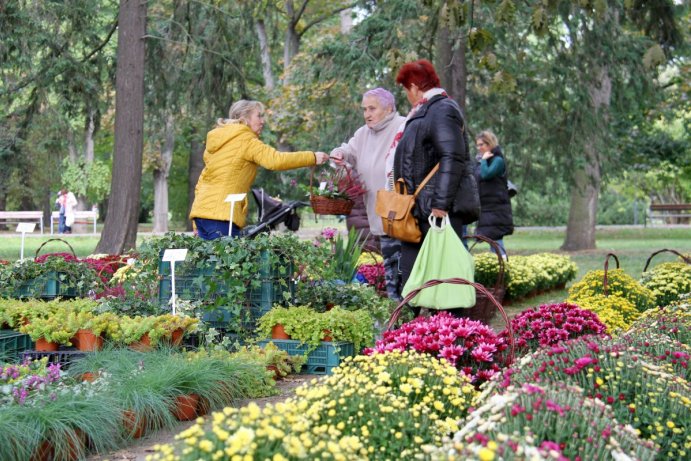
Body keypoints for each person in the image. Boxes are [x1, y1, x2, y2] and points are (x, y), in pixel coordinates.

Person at [391, 59, 473, 314]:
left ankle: (453, 345)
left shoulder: (442, 110)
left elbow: (452, 157)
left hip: (436, 211)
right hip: (420, 211)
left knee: (447, 283)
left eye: (406, 89)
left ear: (414, 87)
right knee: (414, 281)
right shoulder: (427, 111)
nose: (406, 96)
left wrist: (440, 204)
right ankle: (418, 341)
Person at [189, 99, 329, 240]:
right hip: (222, 215)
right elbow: (276, 160)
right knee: (228, 261)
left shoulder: (219, 141)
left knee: (209, 261)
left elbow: (203, 181)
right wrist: (312, 157)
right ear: (244, 119)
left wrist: (196, 223)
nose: (262, 121)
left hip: (202, 215)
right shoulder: (246, 140)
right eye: (259, 116)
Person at [330, 88, 406, 300]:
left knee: (403, 267)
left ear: (388, 108)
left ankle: (405, 312)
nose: (367, 114)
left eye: (372, 108)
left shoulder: (404, 126)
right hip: (378, 212)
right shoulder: (363, 133)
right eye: (364, 109)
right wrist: (340, 153)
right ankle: (398, 312)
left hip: (402, 212)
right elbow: (348, 150)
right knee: (392, 266)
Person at [474, 130, 514, 258]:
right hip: (486, 208)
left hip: (496, 209)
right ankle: (499, 269)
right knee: (492, 240)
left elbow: (486, 175)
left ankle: (503, 266)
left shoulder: (497, 160)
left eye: (482, 145)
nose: (479, 148)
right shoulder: (481, 161)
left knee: (496, 239)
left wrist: (484, 161)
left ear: (490, 144)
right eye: (478, 145)